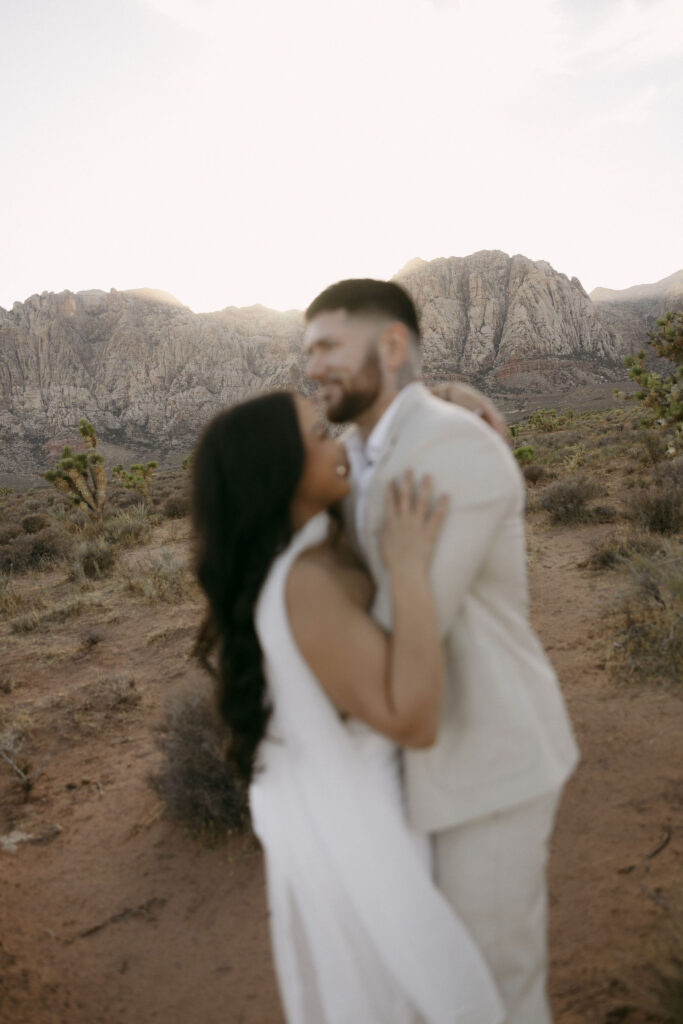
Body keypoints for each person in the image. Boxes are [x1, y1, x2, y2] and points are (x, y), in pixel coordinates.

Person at [302, 278, 580, 1024]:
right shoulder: (355, 449)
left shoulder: (453, 452)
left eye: (327, 346)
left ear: (392, 347)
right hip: (404, 763)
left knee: (489, 989)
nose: (312, 366)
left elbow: (393, 635)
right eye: (306, 352)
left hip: (483, 762)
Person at [191, 391, 504, 1024]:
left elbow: (389, 457)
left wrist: (462, 424)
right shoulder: (305, 585)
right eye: (320, 435)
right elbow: (412, 720)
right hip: (381, 823)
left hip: (395, 803)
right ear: (279, 470)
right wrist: (409, 571)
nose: (340, 446)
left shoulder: (320, 544)